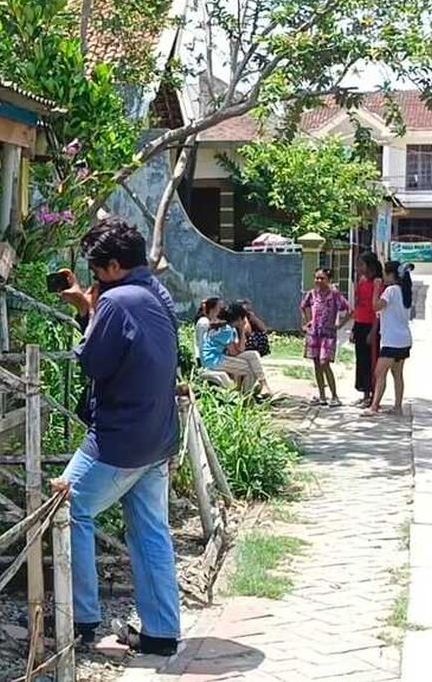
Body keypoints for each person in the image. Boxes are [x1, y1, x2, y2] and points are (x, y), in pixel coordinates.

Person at [51, 218, 181, 656]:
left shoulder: (115, 301)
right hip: (158, 434)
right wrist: (92, 309)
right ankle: (161, 633)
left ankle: (80, 619)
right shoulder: (157, 293)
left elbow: (93, 362)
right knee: (150, 531)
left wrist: (88, 310)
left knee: (68, 507)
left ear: (111, 267)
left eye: (95, 268)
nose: (93, 278)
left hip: (120, 438)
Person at [300, 268, 352, 407]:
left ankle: (334, 396)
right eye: (316, 278)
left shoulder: (334, 295)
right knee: (316, 363)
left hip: (328, 335)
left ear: (329, 280)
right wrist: (308, 322)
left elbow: (349, 310)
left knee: (325, 363)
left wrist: (340, 325)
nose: (318, 281)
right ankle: (322, 396)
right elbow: (303, 306)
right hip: (314, 334)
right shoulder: (312, 294)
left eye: (322, 278)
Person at [368, 260, 413, 416]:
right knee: (397, 374)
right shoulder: (405, 291)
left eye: (384, 274)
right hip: (404, 339)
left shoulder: (391, 290)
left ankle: (374, 406)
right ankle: (397, 406)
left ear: (391, 274)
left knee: (379, 373)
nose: (383, 277)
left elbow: (376, 306)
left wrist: (376, 289)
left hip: (392, 341)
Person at [201, 302, 273, 395]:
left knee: (253, 354)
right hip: (214, 360)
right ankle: (246, 396)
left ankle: (263, 384)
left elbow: (240, 349)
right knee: (250, 369)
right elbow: (234, 352)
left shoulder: (227, 327)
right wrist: (242, 328)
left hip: (217, 357)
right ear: (239, 319)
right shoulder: (226, 329)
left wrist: (241, 330)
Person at [352, 252, 384, 405]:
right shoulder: (361, 281)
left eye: (361, 265)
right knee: (361, 360)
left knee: (371, 361)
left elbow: (378, 311)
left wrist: (373, 331)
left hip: (371, 325)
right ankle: (364, 393)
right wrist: (354, 327)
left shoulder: (377, 283)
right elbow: (358, 304)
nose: (358, 268)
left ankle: (373, 394)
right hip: (360, 323)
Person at [194, 297, 223, 363]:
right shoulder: (204, 322)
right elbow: (202, 344)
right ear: (213, 309)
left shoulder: (214, 322)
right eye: (219, 307)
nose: (220, 310)